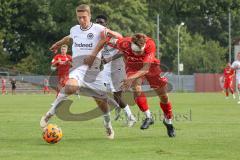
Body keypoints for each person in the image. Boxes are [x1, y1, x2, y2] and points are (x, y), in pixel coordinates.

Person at [40, 4, 119, 139]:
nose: (81, 20)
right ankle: (50, 113)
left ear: (89, 16)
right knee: (70, 86)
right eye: (79, 17)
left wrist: (111, 33)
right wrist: (57, 44)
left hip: (94, 71)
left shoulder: (99, 29)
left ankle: (108, 126)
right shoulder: (75, 29)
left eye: (84, 17)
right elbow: (68, 38)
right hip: (78, 68)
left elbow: (119, 36)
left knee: (102, 104)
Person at [85, 33, 176, 137]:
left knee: (163, 97)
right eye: (136, 51)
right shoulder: (123, 43)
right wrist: (93, 55)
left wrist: (130, 78)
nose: (138, 54)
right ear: (131, 45)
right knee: (136, 88)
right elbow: (105, 40)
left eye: (140, 51)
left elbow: (145, 69)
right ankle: (148, 116)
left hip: (150, 67)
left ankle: (168, 121)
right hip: (133, 67)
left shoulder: (150, 44)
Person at [95, 15, 136, 127]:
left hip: (116, 66)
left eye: (101, 22)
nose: (99, 24)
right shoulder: (96, 37)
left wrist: (109, 58)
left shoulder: (113, 37)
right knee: (97, 90)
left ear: (106, 24)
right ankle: (114, 109)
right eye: (97, 22)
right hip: (105, 67)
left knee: (117, 95)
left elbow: (124, 51)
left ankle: (130, 117)